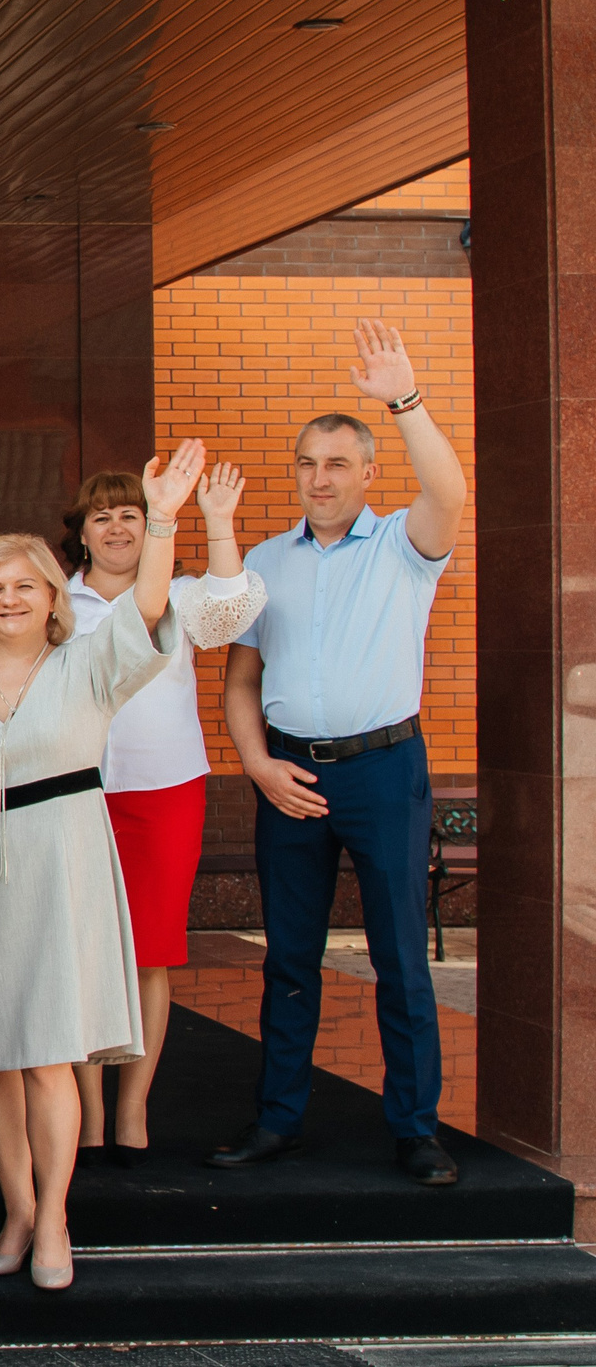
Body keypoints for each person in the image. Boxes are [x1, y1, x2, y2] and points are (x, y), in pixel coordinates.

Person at [0, 443, 206, 1291]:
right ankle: (17, 1210)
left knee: (47, 1057)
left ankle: (57, 1218)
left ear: (50, 599)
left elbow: (149, 608)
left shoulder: (89, 665)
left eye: (24, 586)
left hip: (66, 862)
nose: (8, 598)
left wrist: (165, 520)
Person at [213, 320, 470, 1188]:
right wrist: (255, 763)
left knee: (399, 952)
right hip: (290, 771)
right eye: (307, 464)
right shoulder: (263, 559)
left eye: (336, 464)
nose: (319, 479)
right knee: (289, 954)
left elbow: (450, 490)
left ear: (367, 472)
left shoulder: (404, 546)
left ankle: (416, 1126)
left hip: (384, 771)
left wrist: (403, 399)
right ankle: (278, 1118)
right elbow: (241, 680)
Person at [60, 464, 265, 1165]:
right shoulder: (58, 602)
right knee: (83, 952)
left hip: (163, 789)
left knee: (150, 951)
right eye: (102, 516)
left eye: (130, 514)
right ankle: (87, 1112)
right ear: (81, 534)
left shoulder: (179, 596)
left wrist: (212, 518)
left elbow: (234, 611)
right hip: (77, 791)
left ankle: (133, 1107)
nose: (116, 527)